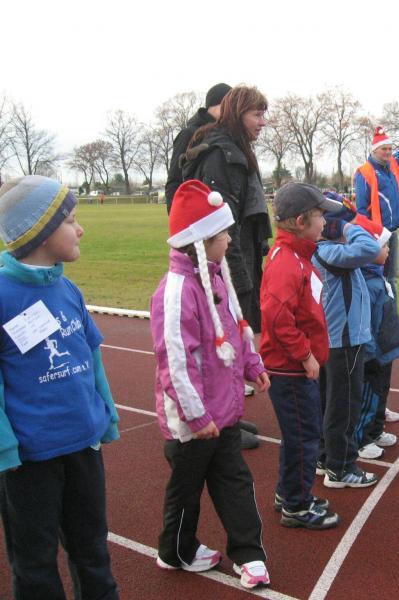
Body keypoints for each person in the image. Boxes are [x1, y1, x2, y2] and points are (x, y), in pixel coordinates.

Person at [0, 175, 120, 599]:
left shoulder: (68, 289)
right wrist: (6, 448)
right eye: (70, 220)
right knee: (34, 564)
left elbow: (92, 356)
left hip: (83, 447)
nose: (80, 229)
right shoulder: (3, 295)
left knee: (93, 551)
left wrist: (105, 416)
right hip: (30, 461)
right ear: (41, 230)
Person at [150, 180, 270, 588]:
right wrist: (197, 416)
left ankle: (249, 553)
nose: (230, 240)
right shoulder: (176, 292)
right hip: (193, 422)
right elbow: (174, 362)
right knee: (186, 491)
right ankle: (175, 550)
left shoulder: (217, 277)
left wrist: (252, 363)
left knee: (235, 480)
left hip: (226, 410)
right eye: (223, 234)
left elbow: (235, 327)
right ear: (200, 242)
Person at [182, 85, 272, 449]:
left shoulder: (235, 150)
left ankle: (230, 415)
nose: (263, 122)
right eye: (257, 115)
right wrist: (236, 277)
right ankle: (219, 423)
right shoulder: (221, 154)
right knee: (219, 342)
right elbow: (221, 224)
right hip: (224, 263)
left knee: (232, 342)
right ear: (238, 114)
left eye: (264, 114)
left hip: (237, 257)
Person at [259, 182, 342, 529]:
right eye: (320, 215)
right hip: (290, 370)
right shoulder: (287, 262)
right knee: (305, 437)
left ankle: (289, 492)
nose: (325, 222)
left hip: (295, 367)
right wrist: (305, 354)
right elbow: (276, 317)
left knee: (298, 435)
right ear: (299, 221)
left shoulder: (299, 257)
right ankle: (297, 504)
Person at [313, 210, 384, 488]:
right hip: (344, 341)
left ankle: (325, 456)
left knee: (329, 401)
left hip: (334, 338)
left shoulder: (323, 252)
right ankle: (341, 467)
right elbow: (370, 249)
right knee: (344, 405)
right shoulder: (329, 252)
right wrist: (346, 227)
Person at [354, 109, 399, 296]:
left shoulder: (393, 163)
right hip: (377, 234)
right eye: (384, 149)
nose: (388, 152)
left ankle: (391, 312)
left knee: (392, 277)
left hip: (393, 232)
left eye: (389, 149)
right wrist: (368, 235)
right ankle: (381, 310)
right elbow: (361, 209)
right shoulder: (364, 173)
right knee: (379, 276)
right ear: (374, 150)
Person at [355, 235, 399, 458]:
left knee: (380, 391)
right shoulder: (365, 283)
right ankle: (362, 439)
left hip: (385, 349)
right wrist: (369, 353)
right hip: (373, 353)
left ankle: (376, 430)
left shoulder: (379, 277)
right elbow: (365, 322)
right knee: (368, 395)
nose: (389, 249)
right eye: (384, 245)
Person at [165, 82, 231, 213]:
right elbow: (174, 181)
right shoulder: (189, 134)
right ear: (216, 105)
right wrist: (177, 217)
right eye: (229, 105)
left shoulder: (227, 135)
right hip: (193, 213)